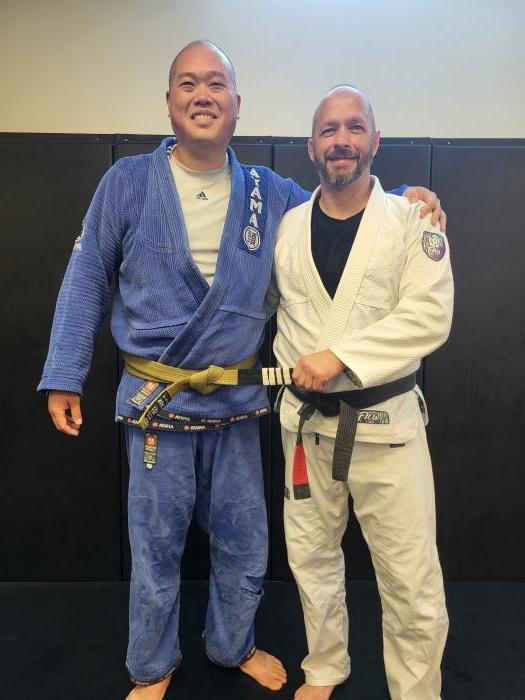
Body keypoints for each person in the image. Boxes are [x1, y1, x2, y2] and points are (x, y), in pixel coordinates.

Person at [37, 41, 445, 700]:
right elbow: (87, 273)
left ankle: (233, 645)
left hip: (235, 403)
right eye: (188, 83)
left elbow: (339, 211)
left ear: (235, 104)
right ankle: (152, 666)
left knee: (244, 540)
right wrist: (65, 372)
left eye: (216, 84)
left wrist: (404, 198)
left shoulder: (267, 190)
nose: (203, 95)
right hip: (156, 402)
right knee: (156, 546)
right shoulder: (127, 181)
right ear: (169, 100)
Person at [272, 85, 453, 700]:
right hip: (306, 428)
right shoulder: (289, 227)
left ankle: (416, 692)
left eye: (354, 128)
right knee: (310, 556)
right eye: (329, 130)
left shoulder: (413, 220)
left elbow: (429, 316)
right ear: (311, 147)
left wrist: (340, 358)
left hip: (385, 426)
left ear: (375, 140)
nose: (341, 140)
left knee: (409, 575)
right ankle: (324, 667)